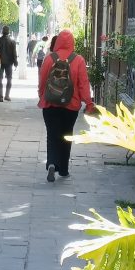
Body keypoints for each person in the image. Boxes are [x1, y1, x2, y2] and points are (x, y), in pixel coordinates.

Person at [38, 28, 96, 182]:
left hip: (50, 104)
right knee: (66, 135)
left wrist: (42, 95)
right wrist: (89, 103)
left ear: (57, 42)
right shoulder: (78, 60)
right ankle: (63, 170)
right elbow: (83, 84)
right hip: (70, 106)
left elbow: (42, 80)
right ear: (72, 42)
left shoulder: (49, 59)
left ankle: (51, 163)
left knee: (52, 135)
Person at [0, 25, 19, 101]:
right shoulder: (12, 41)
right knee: (9, 79)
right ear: (8, 32)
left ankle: (0, 96)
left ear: (2, 31)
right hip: (9, 63)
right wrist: (15, 62)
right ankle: (7, 95)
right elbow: (14, 53)